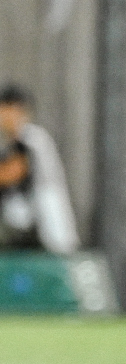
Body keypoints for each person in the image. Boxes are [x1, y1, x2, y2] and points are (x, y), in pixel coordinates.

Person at [0, 84, 79, 253]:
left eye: (5, 108)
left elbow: (12, 173)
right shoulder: (14, 142)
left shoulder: (32, 138)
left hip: (50, 229)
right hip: (33, 228)